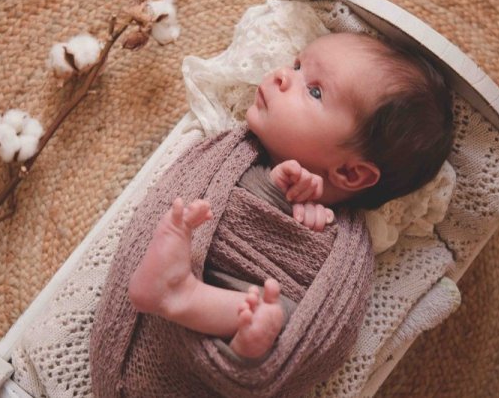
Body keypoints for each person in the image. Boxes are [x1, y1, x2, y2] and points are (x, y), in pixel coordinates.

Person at [127, 31, 454, 360]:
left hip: (244, 329)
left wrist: (312, 224)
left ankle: (198, 309)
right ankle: (190, 300)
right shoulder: (235, 156)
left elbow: (326, 318)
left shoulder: (347, 245)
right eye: (297, 65)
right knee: (264, 310)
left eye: (314, 91)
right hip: (199, 292)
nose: (283, 76)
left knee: (284, 319)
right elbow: (231, 213)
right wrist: (271, 191)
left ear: (351, 173)